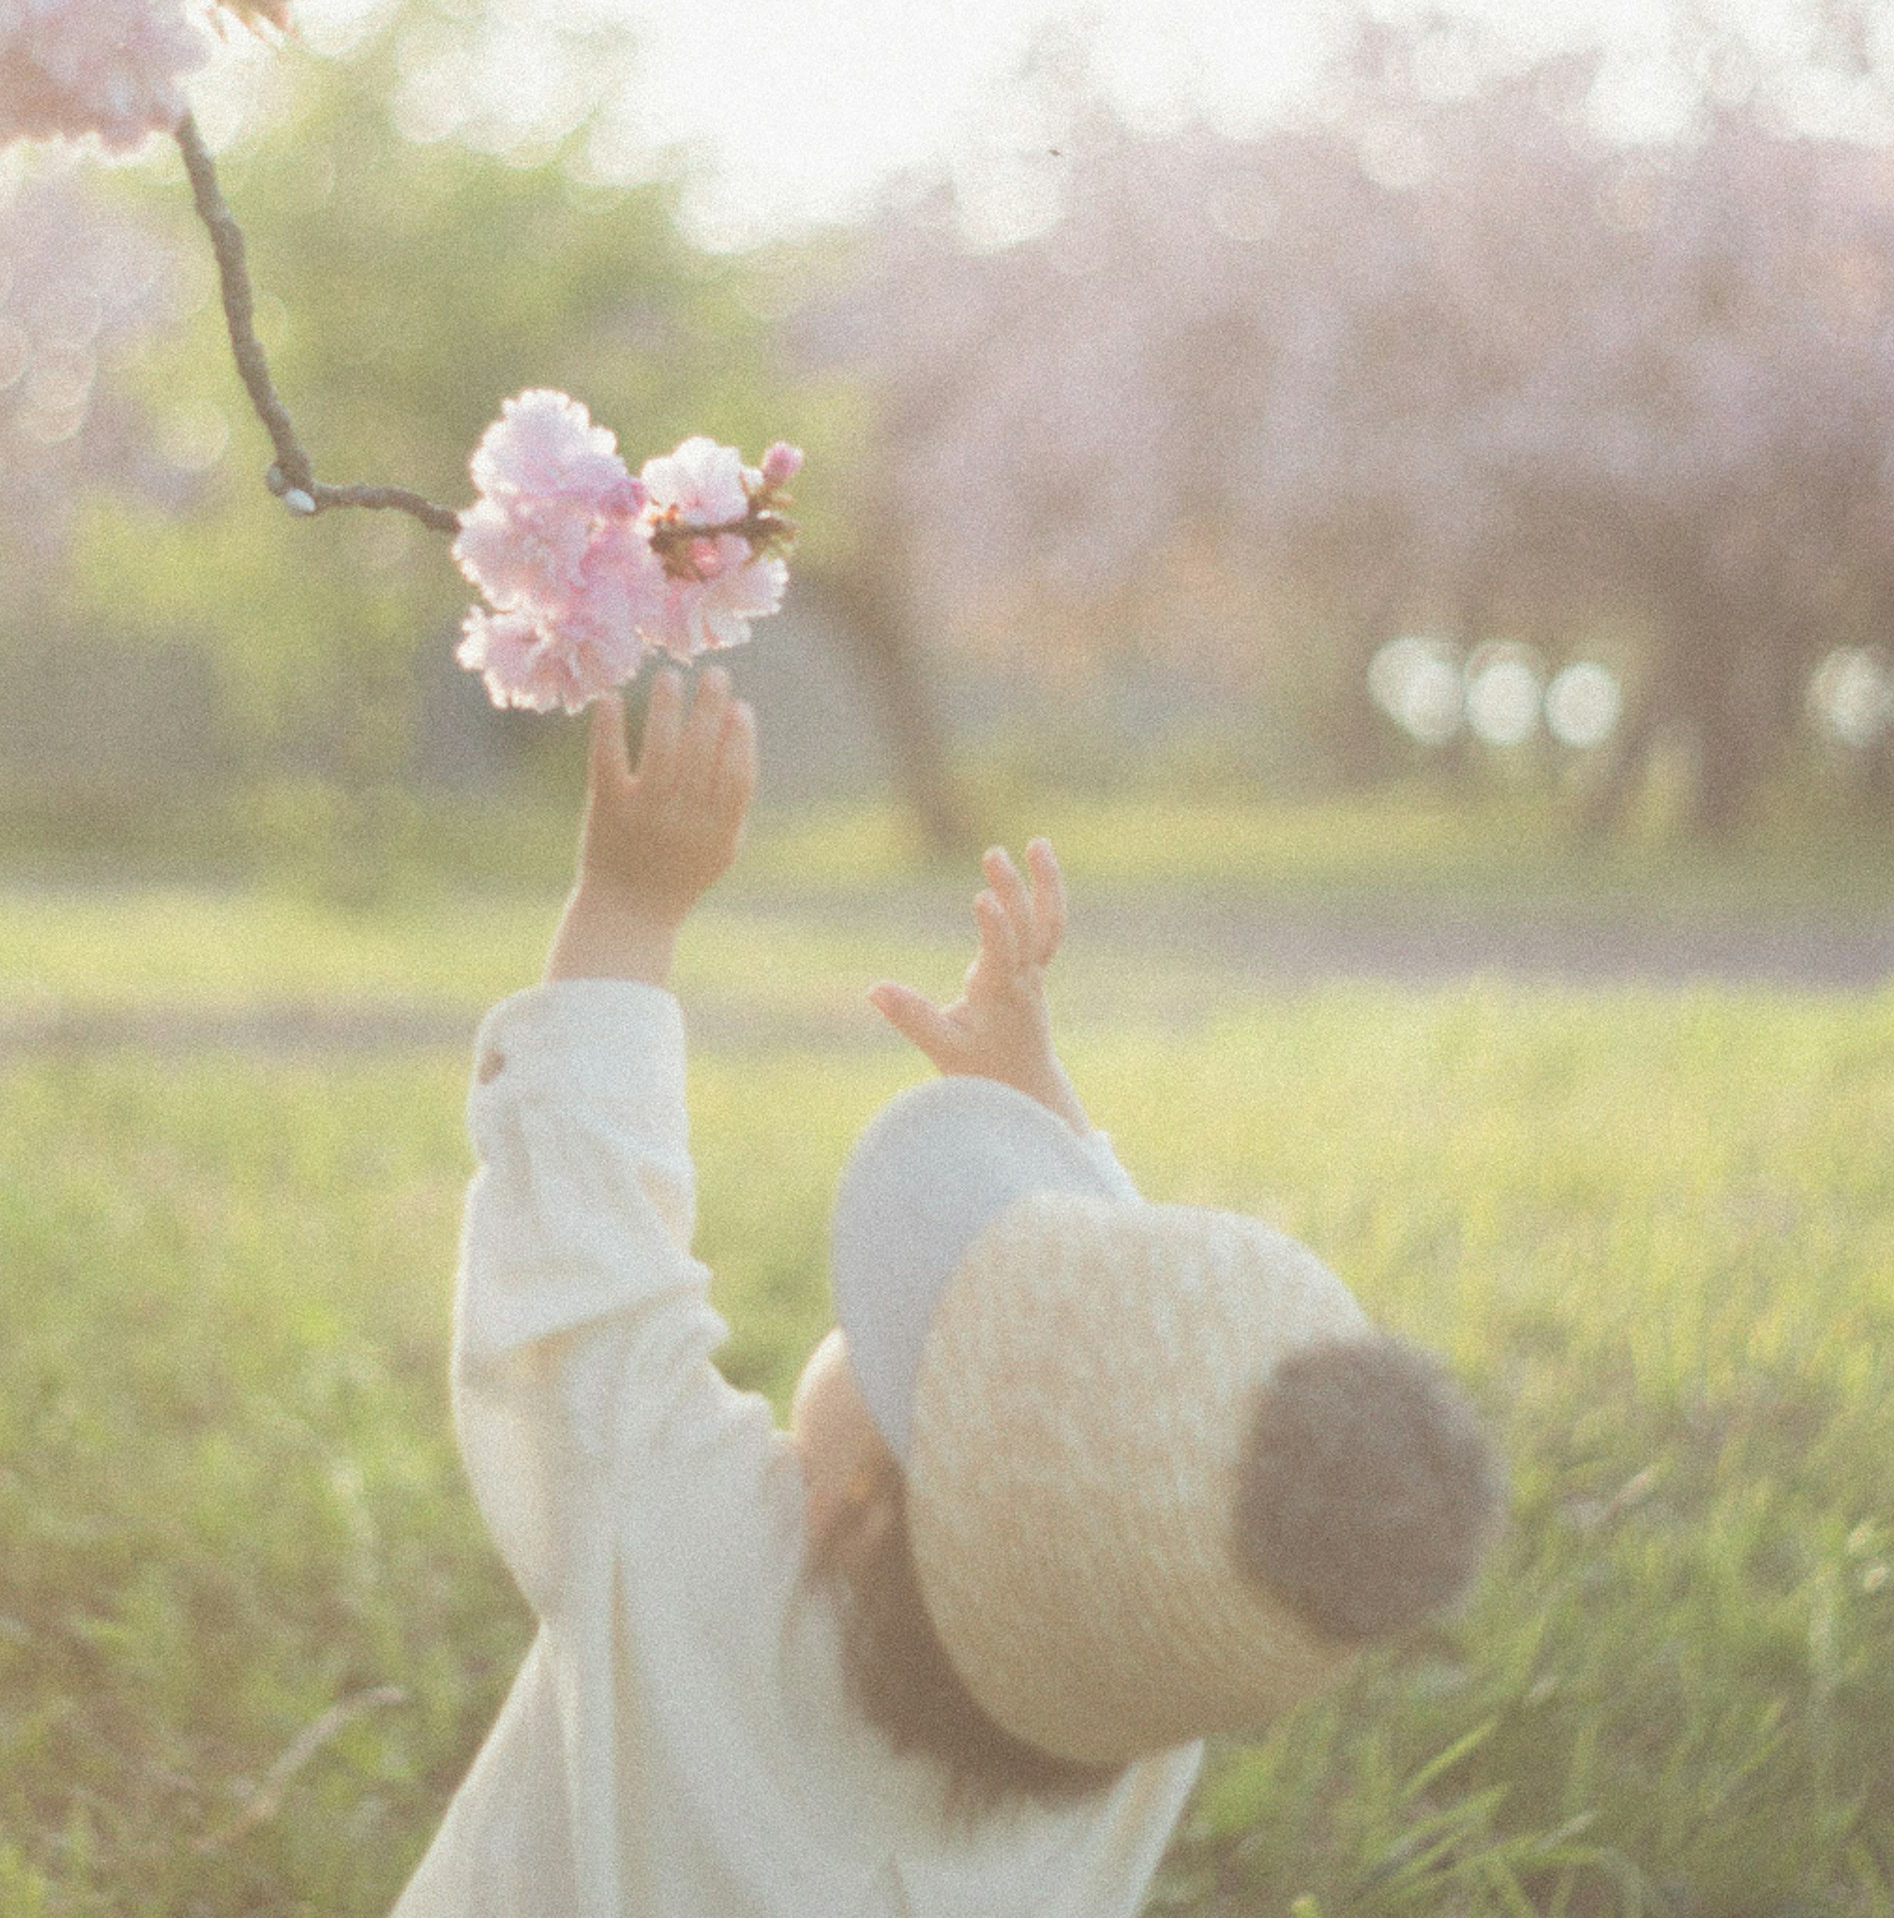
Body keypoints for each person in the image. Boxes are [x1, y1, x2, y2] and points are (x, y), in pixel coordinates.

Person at [392, 665, 1502, 1918]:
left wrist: (627, 908)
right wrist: (1036, 1099)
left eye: (916, 1340)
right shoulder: (1129, 1719)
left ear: (868, 1505)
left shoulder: (683, 1563)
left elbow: (582, 1293)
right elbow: (1161, 1472)